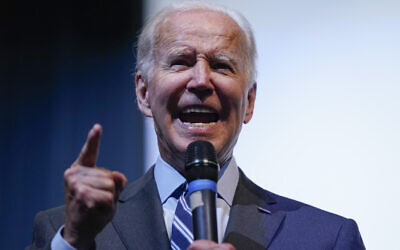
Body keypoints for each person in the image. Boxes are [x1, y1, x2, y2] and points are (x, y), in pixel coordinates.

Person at [27, 2, 365, 250]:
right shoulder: (67, 232)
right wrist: (74, 241)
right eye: (180, 62)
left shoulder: (326, 238)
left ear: (249, 102)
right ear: (144, 94)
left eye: (221, 65)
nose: (201, 81)